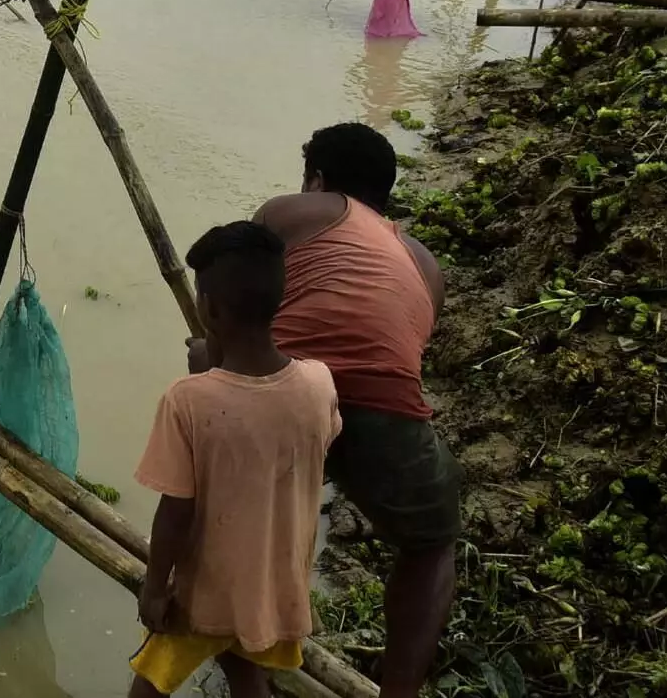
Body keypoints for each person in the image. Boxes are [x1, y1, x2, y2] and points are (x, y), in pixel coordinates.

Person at [249, 123, 453, 698]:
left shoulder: (294, 212)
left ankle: (248, 659)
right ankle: (401, 690)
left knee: (256, 520)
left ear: (317, 179)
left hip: (284, 390)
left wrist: (208, 359)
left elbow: (236, 298)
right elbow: (394, 356)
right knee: (430, 544)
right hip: (385, 407)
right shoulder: (424, 264)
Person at [130, 222, 341, 698]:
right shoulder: (318, 384)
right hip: (273, 589)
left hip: (205, 594)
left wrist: (155, 587)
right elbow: (272, 428)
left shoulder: (188, 401)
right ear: (278, 302)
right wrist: (217, 365)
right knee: (246, 670)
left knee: (149, 684)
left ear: (207, 308)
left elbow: (175, 511)